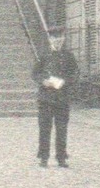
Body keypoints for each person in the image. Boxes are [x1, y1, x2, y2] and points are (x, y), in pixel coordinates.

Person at [32, 26, 79, 168]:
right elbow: (35, 73)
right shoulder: (43, 55)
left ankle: (61, 157)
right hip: (46, 98)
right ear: (50, 39)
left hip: (62, 97)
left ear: (63, 39)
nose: (57, 41)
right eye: (54, 38)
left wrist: (66, 81)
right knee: (45, 128)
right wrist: (43, 81)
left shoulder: (69, 56)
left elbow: (75, 74)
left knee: (62, 129)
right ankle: (44, 157)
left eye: (60, 38)